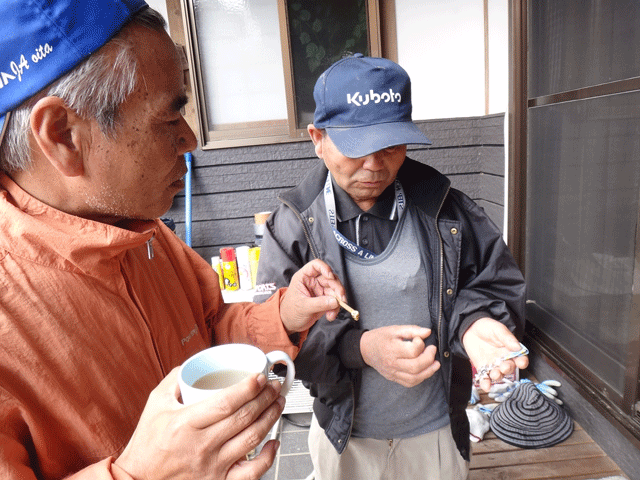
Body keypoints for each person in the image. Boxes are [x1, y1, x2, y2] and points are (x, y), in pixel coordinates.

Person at [0, 2, 345, 479]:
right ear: (62, 135)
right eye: (169, 118)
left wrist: (283, 315)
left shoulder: (142, 231)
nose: (190, 140)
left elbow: (208, 334)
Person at [254, 54, 528, 479]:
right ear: (318, 138)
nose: (375, 164)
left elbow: (493, 282)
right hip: (345, 438)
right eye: (356, 146)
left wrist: (474, 322)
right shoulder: (292, 224)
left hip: (435, 433)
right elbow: (273, 338)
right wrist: (360, 348)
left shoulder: (445, 208)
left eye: (392, 146)